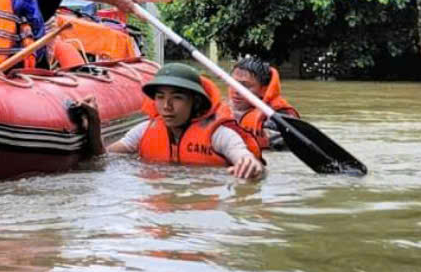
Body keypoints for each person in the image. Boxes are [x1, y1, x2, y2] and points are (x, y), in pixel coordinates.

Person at [106, 63, 264, 179]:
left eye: (177, 98)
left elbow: (244, 157)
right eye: (160, 97)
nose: (167, 106)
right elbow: (104, 157)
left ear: (195, 102)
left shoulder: (219, 135)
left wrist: (251, 165)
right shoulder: (144, 130)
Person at [221, 55, 300, 150]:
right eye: (233, 83)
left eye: (245, 86)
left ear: (264, 89)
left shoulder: (279, 117)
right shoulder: (219, 109)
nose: (236, 91)